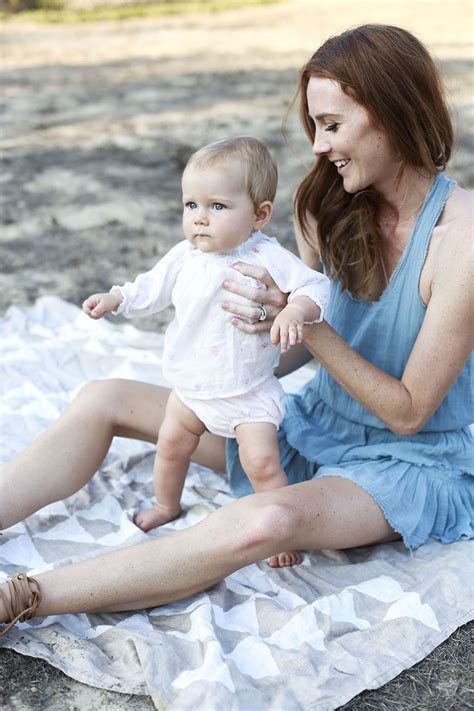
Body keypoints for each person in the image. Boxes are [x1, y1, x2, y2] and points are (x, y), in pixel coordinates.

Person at [0, 24, 472, 638]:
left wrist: (299, 318)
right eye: (315, 128)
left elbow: (408, 412)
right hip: (305, 427)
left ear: (392, 110)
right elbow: (291, 355)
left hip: (403, 461)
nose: (321, 147)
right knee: (103, 397)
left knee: (265, 519)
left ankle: (20, 596)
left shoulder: (461, 240)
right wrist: (240, 349)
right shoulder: (326, 205)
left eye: (333, 125)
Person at [82, 136, 330, 567]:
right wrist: (117, 298)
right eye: (190, 205)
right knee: (172, 445)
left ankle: (281, 530)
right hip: (192, 387)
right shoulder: (184, 257)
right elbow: (149, 289)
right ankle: (165, 503)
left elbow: (315, 285)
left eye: (217, 206)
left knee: (262, 465)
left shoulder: (268, 256)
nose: (199, 219)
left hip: (247, 391)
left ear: (260, 215)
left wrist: (296, 309)